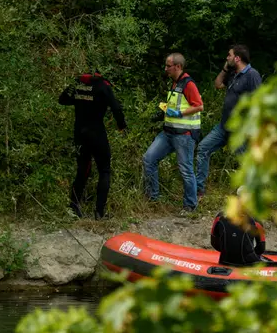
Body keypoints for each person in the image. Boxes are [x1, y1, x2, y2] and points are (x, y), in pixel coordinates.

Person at [196, 44, 262, 198]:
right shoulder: (232, 73)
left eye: (229, 55)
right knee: (203, 148)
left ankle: (249, 194)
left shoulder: (252, 75)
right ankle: (199, 190)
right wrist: (225, 68)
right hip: (223, 126)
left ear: (237, 58)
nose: (227, 58)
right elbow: (218, 85)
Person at [59, 71, 126, 220]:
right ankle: (99, 212)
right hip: (97, 133)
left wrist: (79, 100)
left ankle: (74, 208)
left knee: (82, 170)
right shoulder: (103, 86)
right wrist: (122, 126)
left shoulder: (77, 83)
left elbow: (62, 99)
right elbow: (116, 108)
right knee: (104, 170)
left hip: (79, 133)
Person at [142, 53, 203, 211]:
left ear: (178, 66)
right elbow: (177, 104)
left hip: (184, 135)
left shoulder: (188, 84)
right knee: (149, 159)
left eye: (168, 66)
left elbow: (199, 106)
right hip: (168, 132)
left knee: (186, 169)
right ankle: (152, 198)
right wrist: (164, 110)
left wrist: (179, 114)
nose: (166, 69)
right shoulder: (175, 82)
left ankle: (190, 206)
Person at [210, 186, 266, 266]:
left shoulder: (220, 216)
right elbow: (261, 248)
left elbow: (214, 243)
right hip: (247, 264)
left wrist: (229, 251)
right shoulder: (255, 220)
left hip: (225, 261)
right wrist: (249, 253)